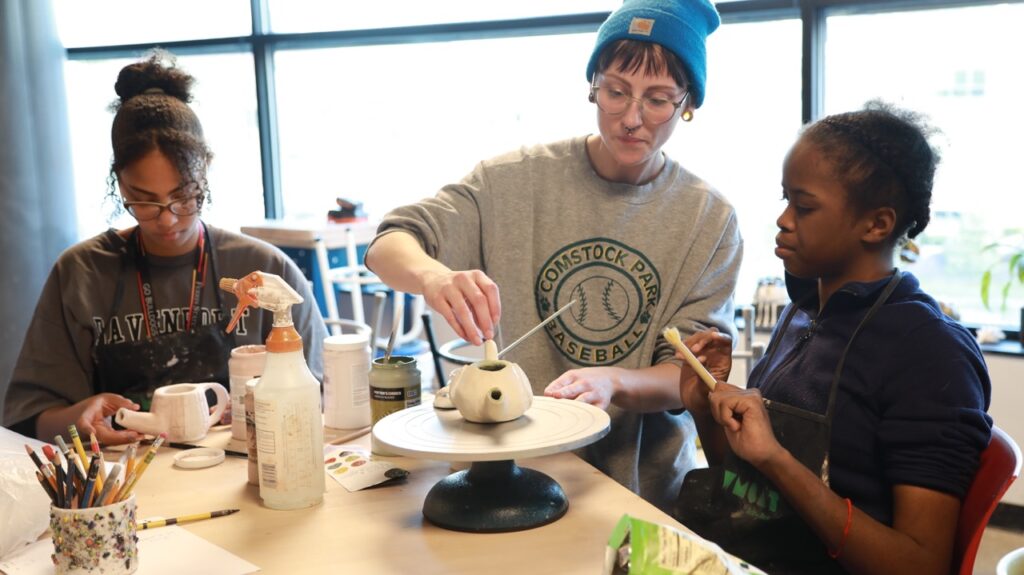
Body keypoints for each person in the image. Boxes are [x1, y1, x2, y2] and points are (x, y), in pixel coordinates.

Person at [365, 0, 742, 513]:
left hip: (641, 494)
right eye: (615, 92)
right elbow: (390, 243)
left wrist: (614, 380)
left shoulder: (708, 218)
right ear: (592, 85)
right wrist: (433, 277)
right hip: (507, 482)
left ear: (689, 103)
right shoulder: (515, 180)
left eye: (657, 100)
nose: (631, 119)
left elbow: (689, 374)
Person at [675, 101, 992, 574]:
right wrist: (705, 407)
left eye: (803, 207)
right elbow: (749, 488)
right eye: (785, 199)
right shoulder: (803, 313)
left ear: (877, 224)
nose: (783, 219)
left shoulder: (929, 353)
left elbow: (920, 565)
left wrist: (778, 460)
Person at [3, 51, 327, 445]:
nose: (168, 219)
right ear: (119, 185)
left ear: (204, 176)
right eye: (145, 202)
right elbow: (27, 418)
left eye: (184, 198)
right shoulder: (82, 274)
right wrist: (76, 418)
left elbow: (323, 396)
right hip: (130, 483)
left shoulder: (263, 268)